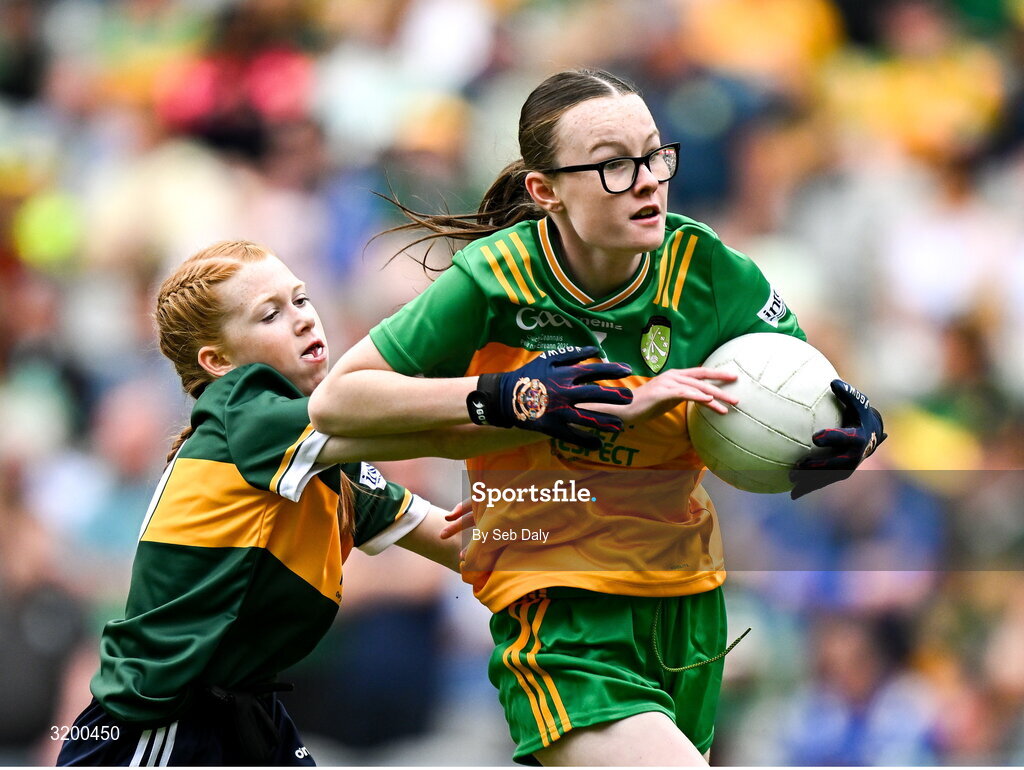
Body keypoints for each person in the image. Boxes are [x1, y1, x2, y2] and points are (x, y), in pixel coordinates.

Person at [308, 69, 886, 766]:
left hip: (686, 604)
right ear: (544, 190)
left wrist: (847, 428)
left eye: (653, 155)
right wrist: (514, 396)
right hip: (560, 610)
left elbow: (794, 390)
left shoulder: (709, 270)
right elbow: (337, 401)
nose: (647, 180)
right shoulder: (495, 279)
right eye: (614, 165)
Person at [55, 240, 615, 767]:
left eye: (300, 298)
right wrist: (505, 394)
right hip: (158, 721)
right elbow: (413, 427)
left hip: (243, 714)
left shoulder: (327, 463)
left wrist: (604, 568)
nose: (302, 316)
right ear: (218, 362)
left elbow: (460, 538)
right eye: (269, 314)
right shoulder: (238, 411)